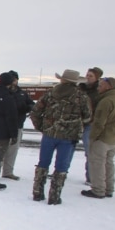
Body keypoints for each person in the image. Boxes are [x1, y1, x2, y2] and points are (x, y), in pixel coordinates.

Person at [29, 68, 92, 205]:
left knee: (43, 163)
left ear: (62, 80)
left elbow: (35, 112)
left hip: (49, 134)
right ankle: (55, 196)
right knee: (61, 167)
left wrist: (42, 127)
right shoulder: (81, 97)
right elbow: (87, 117)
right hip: (68, 137)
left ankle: (37, 193)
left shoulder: (50, 94)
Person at [82, 77, 115, 199]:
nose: (98, 88)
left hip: (102, 138)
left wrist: (93, 137)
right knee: (109, 163)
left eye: (101, 86)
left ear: (108, 86)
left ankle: (98, 190)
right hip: (113, 137)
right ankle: (109, 188)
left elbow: (99, 123)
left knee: (97, 164)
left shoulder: (106, 101)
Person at [1, 70, 35, 180]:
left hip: (18, 125)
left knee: (13, 150)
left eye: (15, 80)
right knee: (0, 149)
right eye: (11, 80)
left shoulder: (22, 93)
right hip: (3, 125)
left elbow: (31, 104)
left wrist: (28, 108)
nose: (13, 82)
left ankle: (8, 172)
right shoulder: (3, 93)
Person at [77, 66, 103, 183]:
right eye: (87, 75)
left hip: (90, 124)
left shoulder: (99, 91)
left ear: (97, 77)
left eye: (91, 76)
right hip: (77, 122)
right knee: (68, 148)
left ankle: (90, 176)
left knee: (89, 150)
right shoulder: (80, 88)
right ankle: (61, 171)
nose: (88, 77)